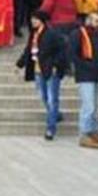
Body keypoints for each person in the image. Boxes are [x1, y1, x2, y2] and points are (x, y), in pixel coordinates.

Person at [17, 11, 68, 140]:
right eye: (32, 19)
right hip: (38, 70)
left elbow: (62, 49)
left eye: (35, 19)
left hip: (51, 70)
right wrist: (20, 64)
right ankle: (55, 114)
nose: (33, 22)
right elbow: (28, 50)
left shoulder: (52, 34)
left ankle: (50, 129)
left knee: (52, 99)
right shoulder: (33, 34)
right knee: (44, 96)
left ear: (42, 21)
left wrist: (57, 65)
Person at [68, 13, 98, 149]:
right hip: (85, 75)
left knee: (95, 107)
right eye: (96, 21)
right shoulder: (78, 33)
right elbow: (72, 54)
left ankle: (95, 132)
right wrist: (85, 66)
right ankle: (84, 134)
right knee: (88, 106)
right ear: (88, 20)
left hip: (97, 75)